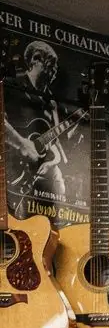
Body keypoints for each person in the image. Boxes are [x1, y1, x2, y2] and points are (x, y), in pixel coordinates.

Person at [4, 41, 67, 206]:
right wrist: (21, 143)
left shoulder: (50, 102)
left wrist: (53, 161)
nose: (54, 72)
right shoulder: (11, 86)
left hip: (38, 172)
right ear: (35, 60)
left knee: (61, 188)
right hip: (9, 166)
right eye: (51, 66)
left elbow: (53, 142)